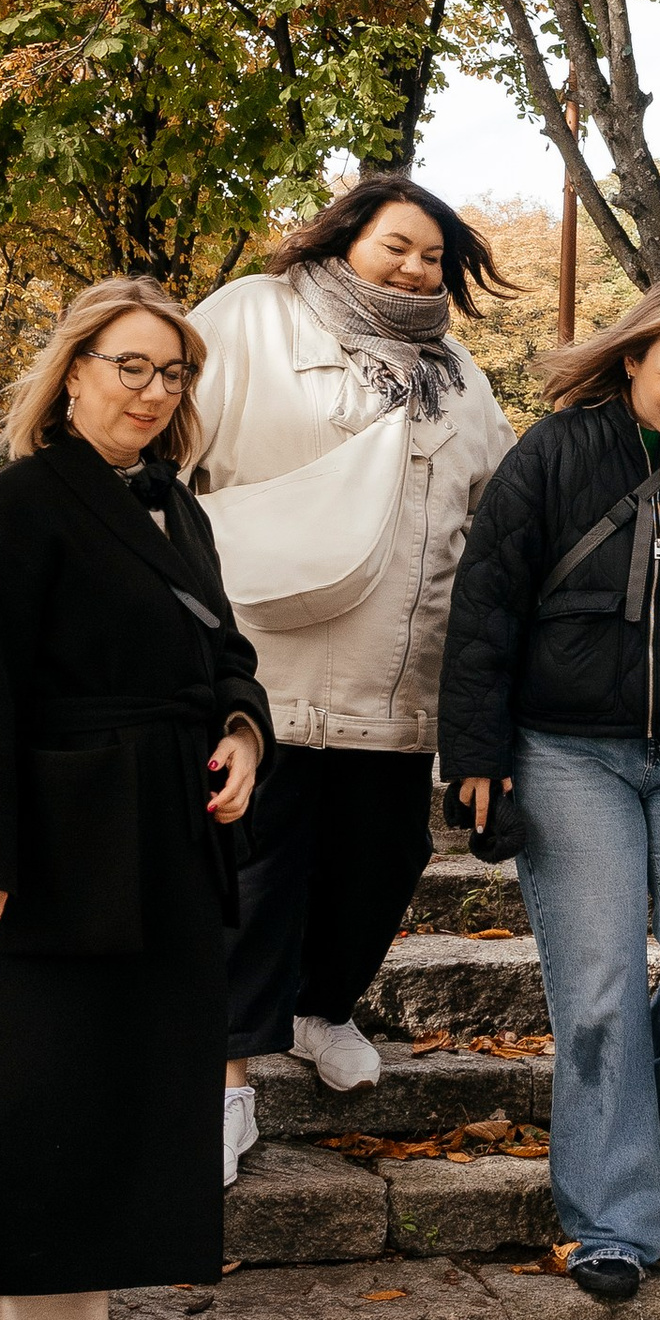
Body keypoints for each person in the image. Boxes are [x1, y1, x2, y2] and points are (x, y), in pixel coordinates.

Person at [0, 277, 268, 1320]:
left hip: (160, 845)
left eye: (174, 373)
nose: (153, 393)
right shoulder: (18, 506)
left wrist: (242, 732)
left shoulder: (177, 508)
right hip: (52, 852)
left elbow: (226, 654)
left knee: (104, 1108)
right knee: (35, 1109)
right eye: (130, 367)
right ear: (71, 376)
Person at [439, 275, 660, 1300]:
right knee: (597, 994)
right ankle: (613, 1223)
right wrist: (475, 752)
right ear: (634, 359)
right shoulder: (553, 453)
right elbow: (485, 608)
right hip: (564, 753)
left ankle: (615, 1135)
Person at [189, 174, 513, 1172]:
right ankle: (225, 1082)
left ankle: (320, 1009)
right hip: (270, 663)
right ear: (344, 239)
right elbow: (174, 449)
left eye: (433, 256)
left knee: (383, 862)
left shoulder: (456, 370)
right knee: (257, 876)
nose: (414, 268)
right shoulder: (254, 315)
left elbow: (494, 503)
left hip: (402, 676)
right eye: (396, 246)